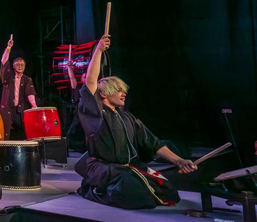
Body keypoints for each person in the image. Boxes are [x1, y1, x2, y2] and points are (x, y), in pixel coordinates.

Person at [76, 35, 197, 209]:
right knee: (139, 198)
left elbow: (153, 143)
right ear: (104, 94)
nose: (123, 93)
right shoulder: (96, 115)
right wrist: (99, 50)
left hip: (128, 167)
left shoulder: (128, 117)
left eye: (124, 90)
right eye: (118, 90)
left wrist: (179, 161)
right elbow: (90, 81)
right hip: (104, 168)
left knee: (170, 192)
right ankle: (91, 190)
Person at [0, 37, 37, 140]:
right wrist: (8, 48)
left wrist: (34, 105)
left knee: (21, 132)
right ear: (13, 66)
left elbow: (30, 93)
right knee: (6, 132)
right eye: (18, 65)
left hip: (20, 110)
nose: (20, 66)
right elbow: (3, 61)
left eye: (22, 65)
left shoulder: (27, 79)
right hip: (8, 108)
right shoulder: (8, 76)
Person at [65, 59, 86, 153]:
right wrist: (69, 68)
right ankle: (65, 150)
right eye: (84, 77)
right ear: (81, 79)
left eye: (88, 76)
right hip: (79, 115)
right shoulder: (79, 89)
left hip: (90, 115)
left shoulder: (95, 90)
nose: (86, 78)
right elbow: (72, 79)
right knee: (70, 133)